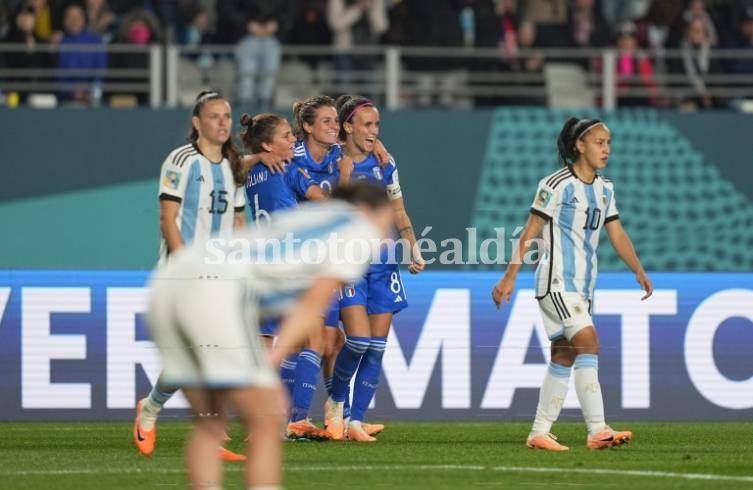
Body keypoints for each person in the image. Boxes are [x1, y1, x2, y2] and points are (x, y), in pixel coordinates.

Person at [146, 182, 394, 490]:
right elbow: (312, 304)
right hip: (216, 291)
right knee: (268, 416)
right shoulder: (359, 231)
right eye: (387, 217)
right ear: (369, 210)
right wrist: (270, 362)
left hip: (175, 278)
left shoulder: (311, 215)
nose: (388, 229)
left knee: (211, 422)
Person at [491, 117, 653, 451]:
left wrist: (638, 269)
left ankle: (539, 432)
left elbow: (617, 233)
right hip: (556, 282)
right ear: (579, 145)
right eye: (599, 142)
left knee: (564, 354)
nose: (606, 149)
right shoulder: (557, 184)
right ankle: (597, 429)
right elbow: (531, 229)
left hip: (584, 285)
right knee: (588, 343)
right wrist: (510, 276)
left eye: (608, 143)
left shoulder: (605, 188)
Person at [133, 90, 248, 461]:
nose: (223, 122)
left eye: (227, 116)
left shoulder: (234, 166)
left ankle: (196, 429)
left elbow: (240, 220)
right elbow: (167, 218)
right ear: (197, 123)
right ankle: (150, 411)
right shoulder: (181, 161)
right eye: (214, 116)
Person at [325, 95, 425, 442]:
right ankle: (336, 404)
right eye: (366, 124)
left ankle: (355, 421)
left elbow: (398, 211)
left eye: (376, 125)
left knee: (377, 347)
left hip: (383, 263)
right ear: (347, 126)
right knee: (357, 340)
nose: (373, 131)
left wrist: (413, 246)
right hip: (349, 265)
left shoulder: (386, 163)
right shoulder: (332, 159)